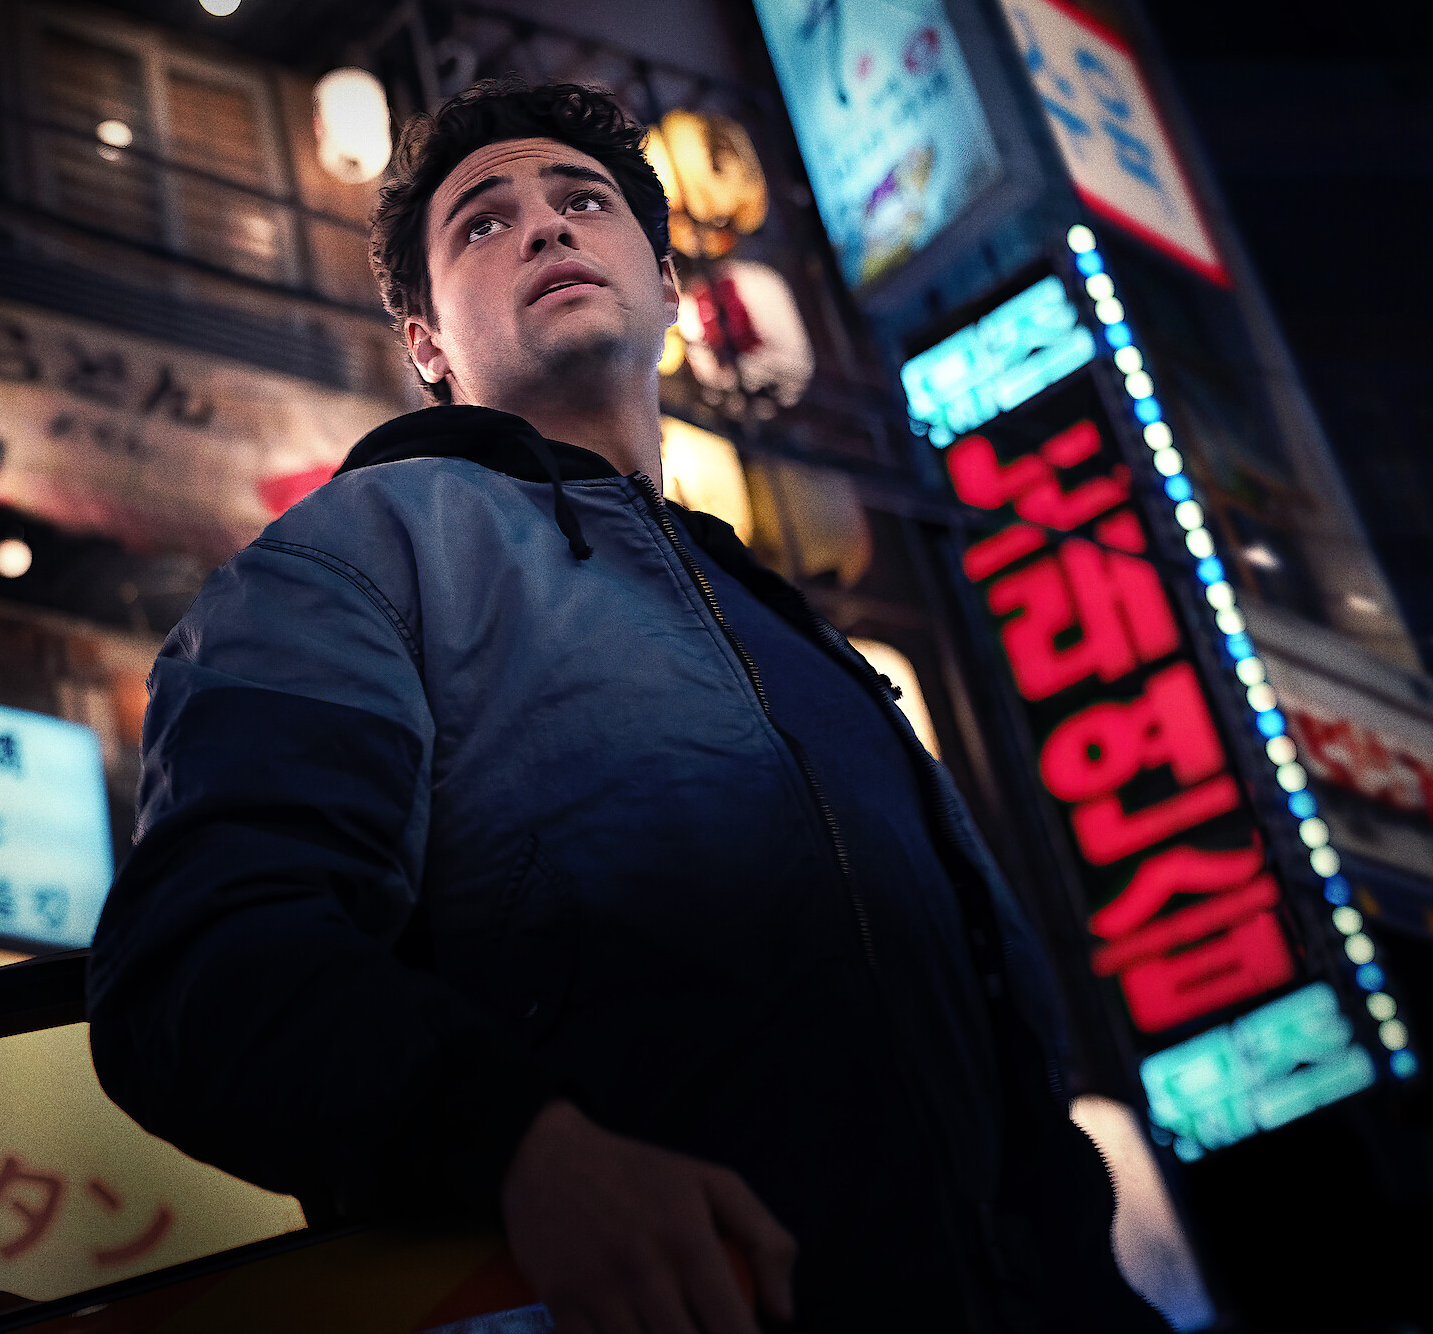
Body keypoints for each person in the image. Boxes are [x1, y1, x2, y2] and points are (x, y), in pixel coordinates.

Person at [87, 79, 1169, 1334]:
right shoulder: (357, 552)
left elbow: (1005, 1071)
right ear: (427, 344)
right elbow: (202, 957)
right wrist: (519, 1146)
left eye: (581, 200)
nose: (545, 228)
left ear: (665, 286)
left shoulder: (806, 639)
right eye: (482, 223)